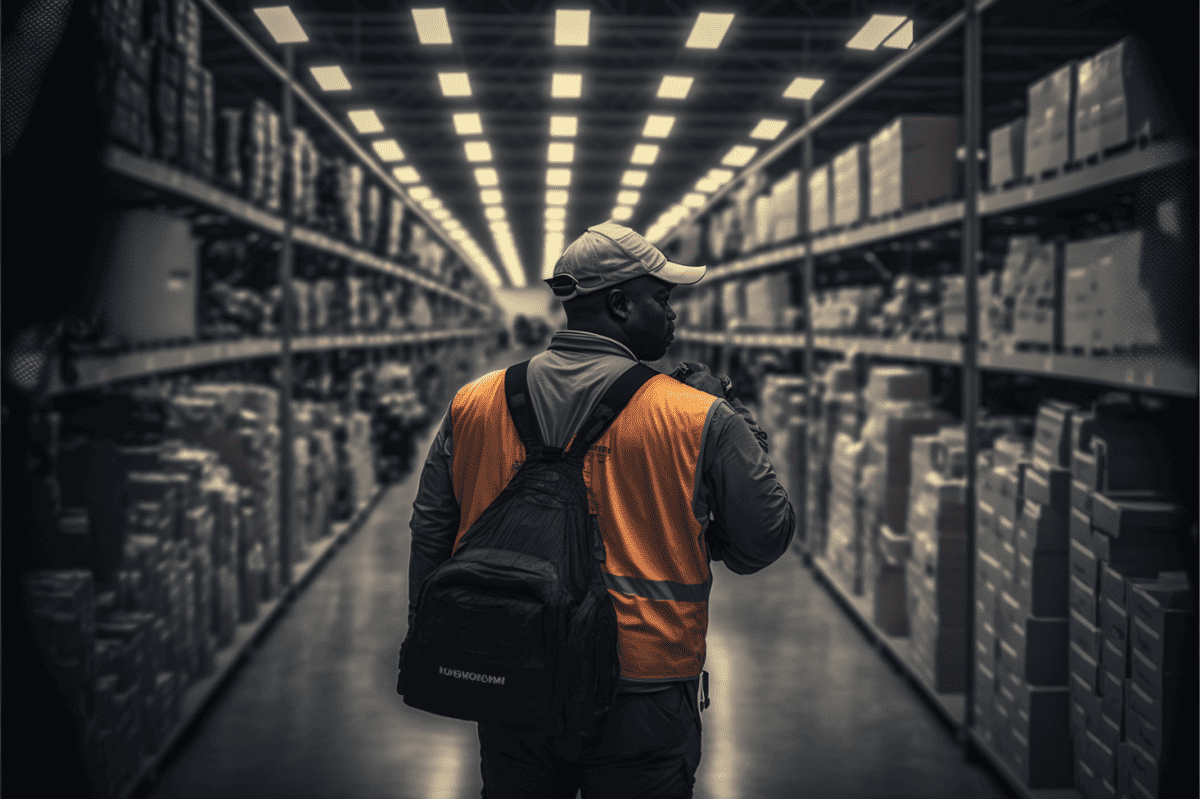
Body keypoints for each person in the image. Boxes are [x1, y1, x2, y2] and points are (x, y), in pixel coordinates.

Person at [407, 220, 795, 798]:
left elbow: (432, 529)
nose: (673, 315)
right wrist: (732, 429)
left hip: (516, 668)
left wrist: (440, 634)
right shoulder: (696, 415)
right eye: (661, 299)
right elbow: (766, 536)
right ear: (618, 303)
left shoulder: (475, 401)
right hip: (643, 686)